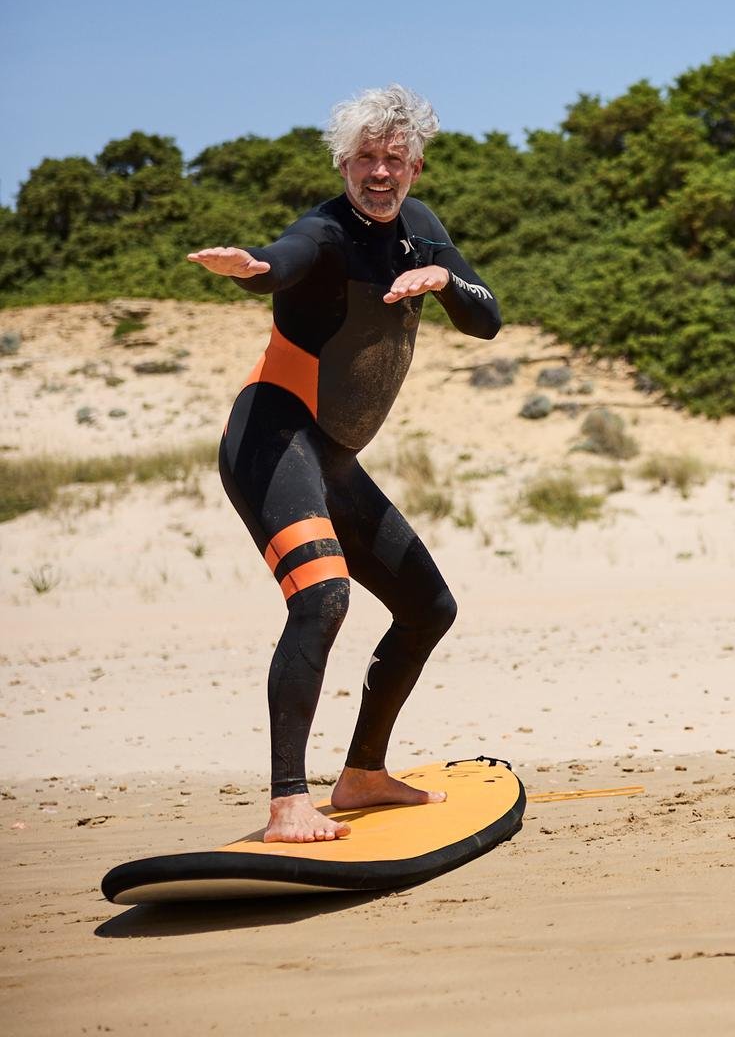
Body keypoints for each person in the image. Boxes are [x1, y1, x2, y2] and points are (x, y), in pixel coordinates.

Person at [186, 86, 501, 841]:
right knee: (323, 597)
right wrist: (253, 267)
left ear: (416, 166)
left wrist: (445, 280)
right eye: (364, 157)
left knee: (430, 608)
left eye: (393, 158)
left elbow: (486, 317)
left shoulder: (421, 231)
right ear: (343, 162)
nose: (379, 172)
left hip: (330, 459)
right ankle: (288, 801)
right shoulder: (324, 231)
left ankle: (361, 774)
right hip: (269, 440)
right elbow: (283, 260)